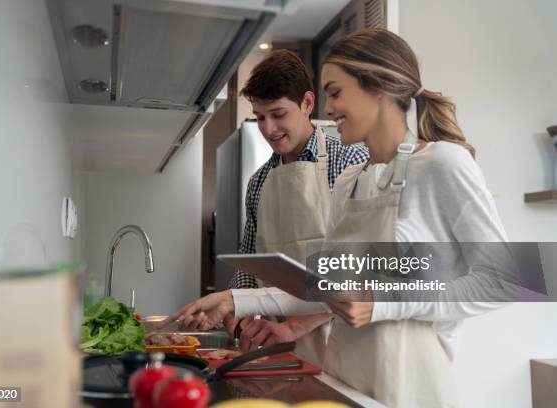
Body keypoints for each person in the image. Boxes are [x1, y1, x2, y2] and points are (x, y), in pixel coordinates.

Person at [161, 29, 509, 407]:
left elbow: (508, 279)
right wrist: (235, 299)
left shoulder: (442, 163)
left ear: (378, 87)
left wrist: (382, 303)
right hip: (342, 381)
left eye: (337, 92)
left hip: (410, 387)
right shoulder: (348, 181)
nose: (328, 109)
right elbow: (326, 289)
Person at [180, 50, 368, 366]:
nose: (268, 129)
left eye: (278, 114)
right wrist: (238, 316)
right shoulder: (258, 182)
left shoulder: (349, 162)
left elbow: (361, 272)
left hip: (340, 342)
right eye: (260, 116)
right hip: (276, 346)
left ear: (307, 104)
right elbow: (249, 266)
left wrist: (294, 325)